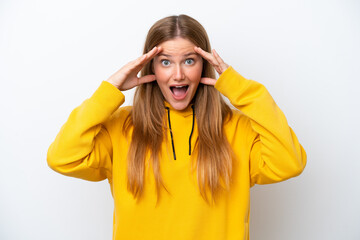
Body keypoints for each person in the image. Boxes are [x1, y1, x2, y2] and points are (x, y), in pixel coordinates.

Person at [47, 14, 306, 240]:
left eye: (190, 61)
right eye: (166, 62)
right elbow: (63, 158)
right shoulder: (122, 127)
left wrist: (239, 88)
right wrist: (110, 90)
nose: (178, 74)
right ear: (151, 68)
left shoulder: (237, 128)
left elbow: (289, 162)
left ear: (204, 65)